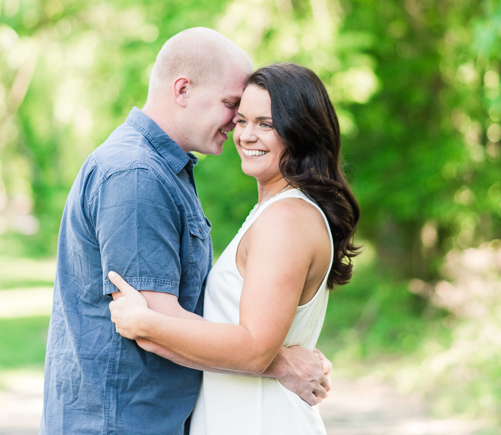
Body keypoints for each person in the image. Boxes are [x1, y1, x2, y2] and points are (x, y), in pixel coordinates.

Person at [40, 31, 332, 435]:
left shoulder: (166, 172)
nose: (238, 126)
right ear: (182, 90)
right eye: (234, 107)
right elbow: (157, 325)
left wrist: (267, 354)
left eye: (262, 121)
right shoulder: (137, 175)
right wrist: (281, 362)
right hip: (122, 423)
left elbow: (168, 322)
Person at [109, 62, 361, 434]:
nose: (245, 135)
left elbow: (255, 348)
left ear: (301, 132)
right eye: (241, 120)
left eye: (266, 124)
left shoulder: (287, 219)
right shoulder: (274, 211)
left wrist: (147, 322)